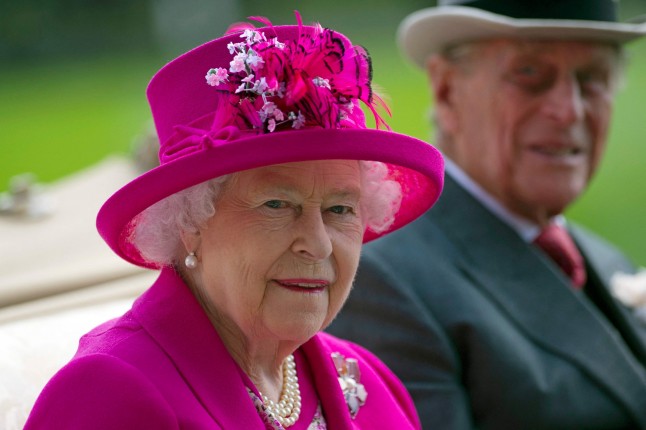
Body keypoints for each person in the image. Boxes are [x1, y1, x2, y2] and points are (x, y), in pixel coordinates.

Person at [23, 13, 445, 430]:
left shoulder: (364, 377)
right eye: (277, 204)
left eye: (340, 210)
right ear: (190, 222)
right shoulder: (109, 392)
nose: (318, 244)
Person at [328, 1, 646, 429]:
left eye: (591, 79)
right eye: (529, 74)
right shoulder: (386, 283)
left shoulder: (605, 261)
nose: (569, 109)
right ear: (446, 90)